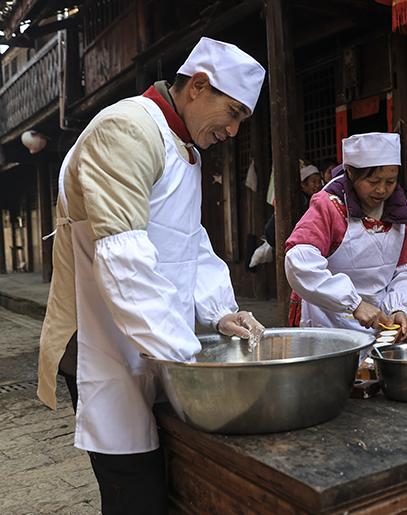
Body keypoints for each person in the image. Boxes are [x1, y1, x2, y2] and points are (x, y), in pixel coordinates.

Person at [37, 37, 267, 514]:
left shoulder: (184, 147)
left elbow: (188, 242)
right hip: (108, 347)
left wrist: (221, 312)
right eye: (235, 112)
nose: (235, 129)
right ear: (199, 87)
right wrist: (190, 362)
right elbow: (124, 261)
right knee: (135, 491)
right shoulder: (126, 130)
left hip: (159, 344)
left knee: (177, 480)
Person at [284, 132, 407, 341]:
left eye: (390, 181)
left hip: (380, 320)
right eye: (373, 181)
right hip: (328, 320)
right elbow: (299, 263)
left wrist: (400, 307)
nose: (381, 190)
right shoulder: (329, 205)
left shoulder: (403, 211)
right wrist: (354, 304)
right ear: (350, 172)